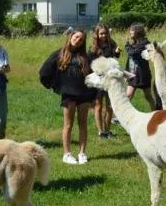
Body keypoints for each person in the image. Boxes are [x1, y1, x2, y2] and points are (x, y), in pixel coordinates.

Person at [39, 28, 96, 164]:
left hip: (85, 94)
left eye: (81, 39)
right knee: (68, 124)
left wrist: (93, 95)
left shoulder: (86, 57)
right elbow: (44, 72)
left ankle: (82, 153)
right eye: (76, 37)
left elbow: (93, 77)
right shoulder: (59, 54)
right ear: (70, 36)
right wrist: (55, 86)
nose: (78, 41)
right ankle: (67, 154)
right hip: (68, 95)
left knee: (83, 124)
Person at [89, 23, 120, 138]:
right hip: (99, 79)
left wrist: (117, 52)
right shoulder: (93, 48)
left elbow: (115, 57)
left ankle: (107, 130)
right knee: (98, 105)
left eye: (105, 33)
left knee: (110, 105)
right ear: (96, 34)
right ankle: (101, 131)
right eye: (101, 33)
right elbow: (90, 64)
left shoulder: (112, 44)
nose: (103, 35)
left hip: (111, 78)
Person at [125, 23, 156, 110]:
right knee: (128, 95)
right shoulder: (134, 43)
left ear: (137, 32)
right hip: (133, 74)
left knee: (148, 96)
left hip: (142, 75)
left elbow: (133, 53)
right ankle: (120, 116)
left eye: (132, 30)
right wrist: (126, 74)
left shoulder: (145, 43)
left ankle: (156, 112)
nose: (130, 32)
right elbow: (130, 60)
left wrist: (127, 45)